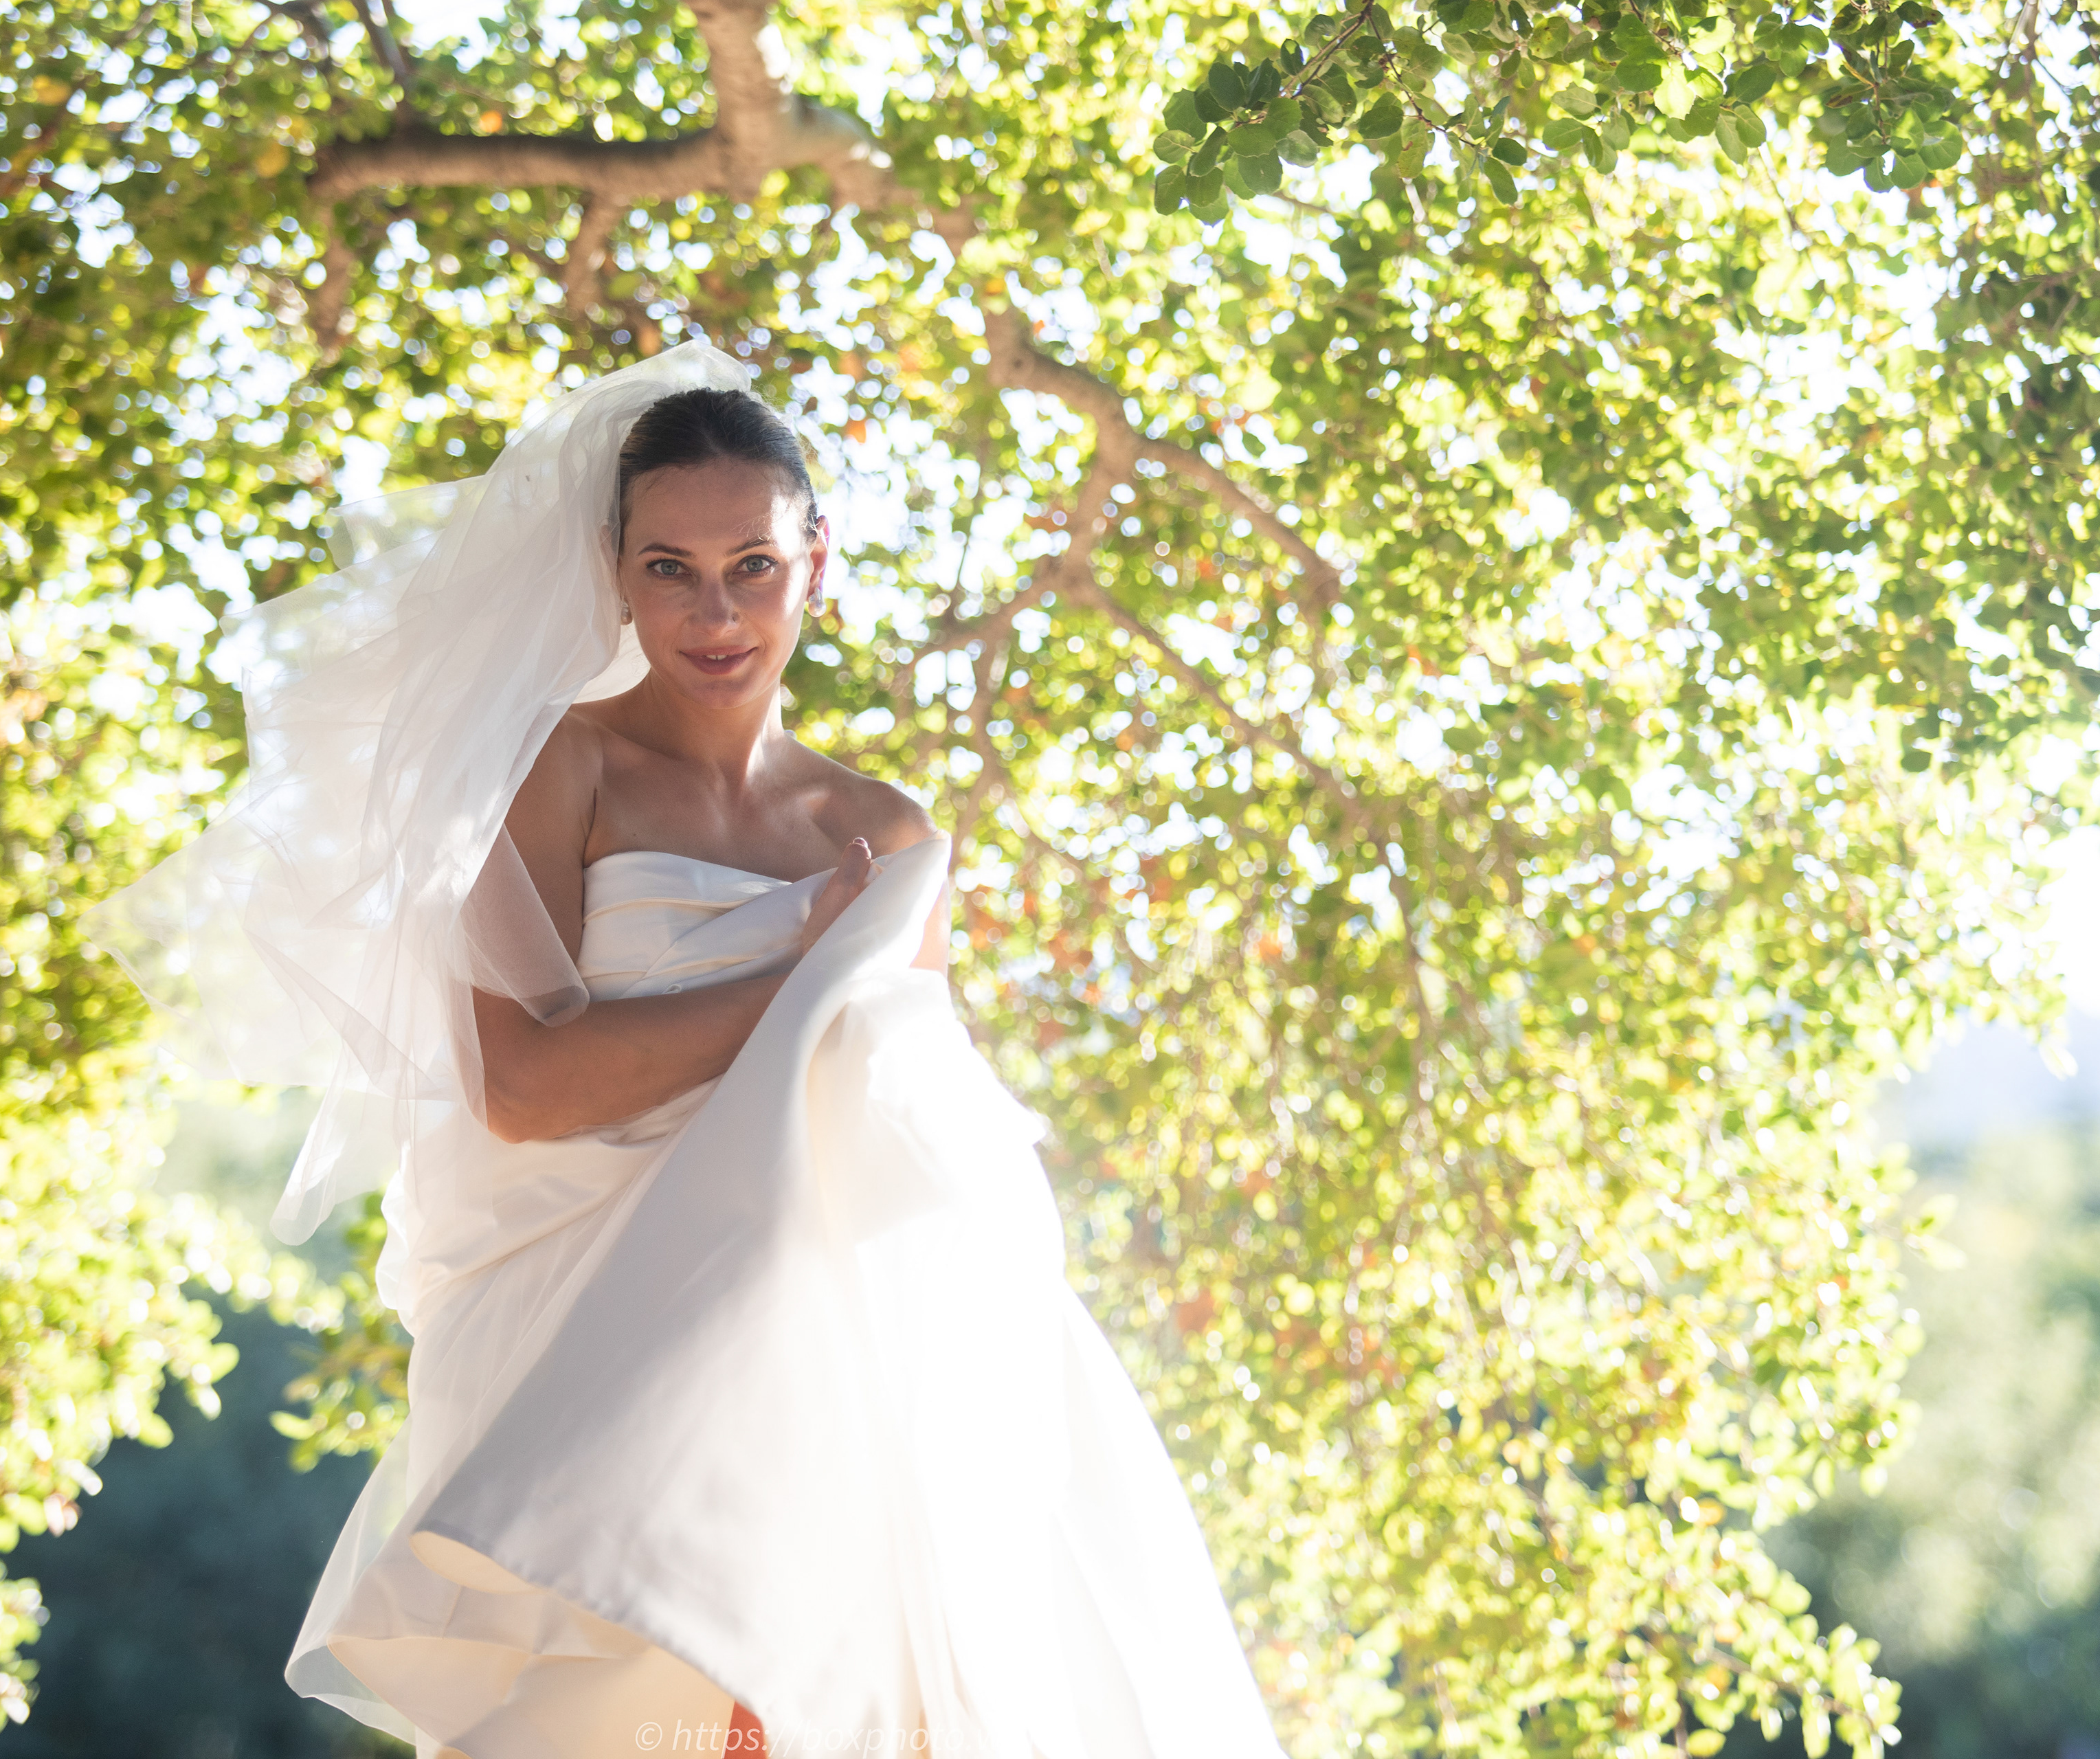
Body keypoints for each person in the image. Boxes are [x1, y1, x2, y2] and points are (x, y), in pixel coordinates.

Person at [86, 343, 1289, 1758]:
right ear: (615, 573)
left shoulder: (888, 833)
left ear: (816, 562)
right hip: (590, 1328)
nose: (714, 612)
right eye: (670, 568)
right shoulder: (555, 769)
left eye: (752, 565)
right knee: (633, 1709)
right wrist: (804, 965)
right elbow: (526, 1086)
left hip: (826, 1342)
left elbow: (913, 1122)